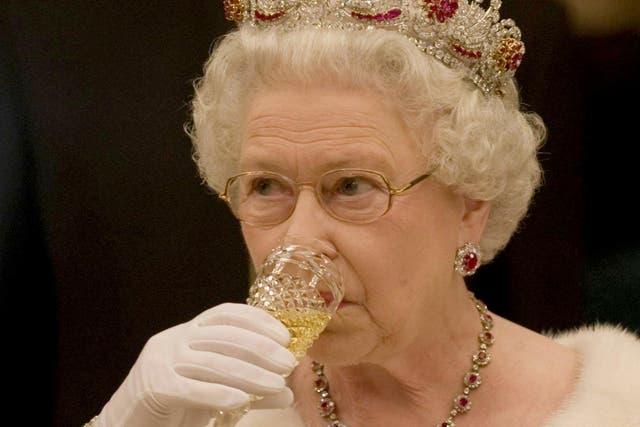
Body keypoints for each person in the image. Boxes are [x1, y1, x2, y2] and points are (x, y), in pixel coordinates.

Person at [86, 1, 640, 426]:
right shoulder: (213, 405)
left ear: (471, 203)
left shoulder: (617, 403)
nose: (296, 238)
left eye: (352, 186)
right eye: (265, 186)